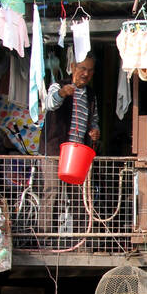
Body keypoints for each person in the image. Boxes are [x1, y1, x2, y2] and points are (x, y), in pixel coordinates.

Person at [39, 55, 102, 240]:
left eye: (90, 70)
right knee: (52, 192)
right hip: (55, 150)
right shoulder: (58, 85)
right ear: (73, 67)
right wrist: (61, 94)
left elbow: (94, 121)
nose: (86, 73)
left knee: (79, 197)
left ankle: (82, 242)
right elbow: (49, 103)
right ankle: (44, 241)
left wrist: (95, 131)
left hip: (77, 153)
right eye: (82, 68)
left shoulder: (90, 95)